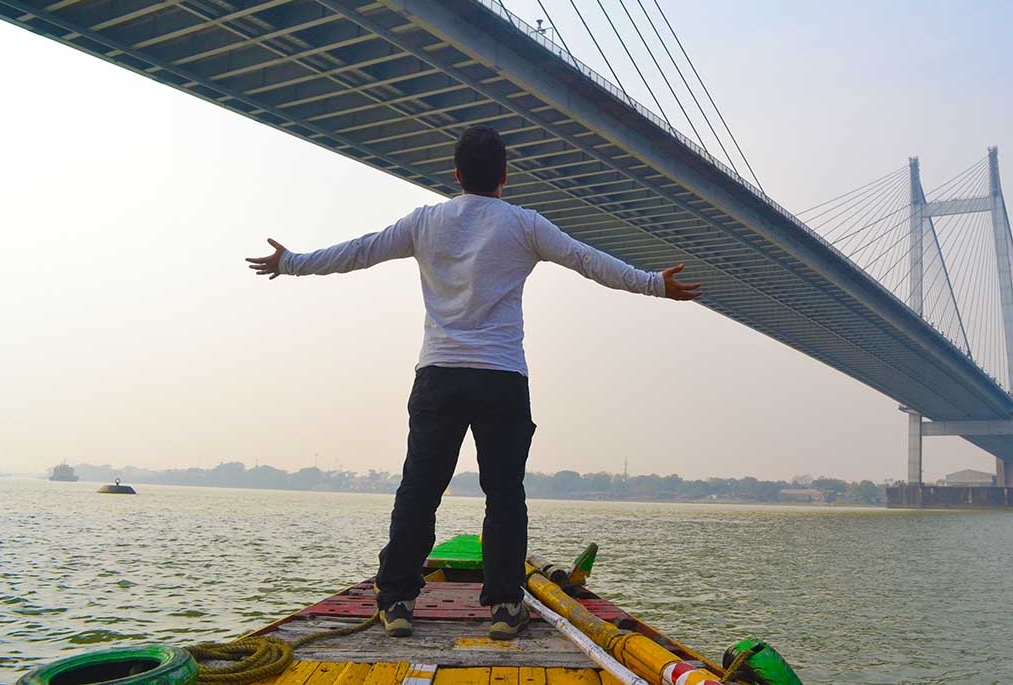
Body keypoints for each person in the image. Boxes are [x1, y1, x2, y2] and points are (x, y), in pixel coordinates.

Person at [246, 126, 701, 640]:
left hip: (438, 374)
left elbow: (359, 251)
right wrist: (653, 284)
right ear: (505, 176)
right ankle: (506, 605)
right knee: (504, 493)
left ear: (456, 173)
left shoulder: (424, 222)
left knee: (420, 488)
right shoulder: (525, 225)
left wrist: (291, 263)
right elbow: (586, 260)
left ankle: (396, 600)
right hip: (502, 377)